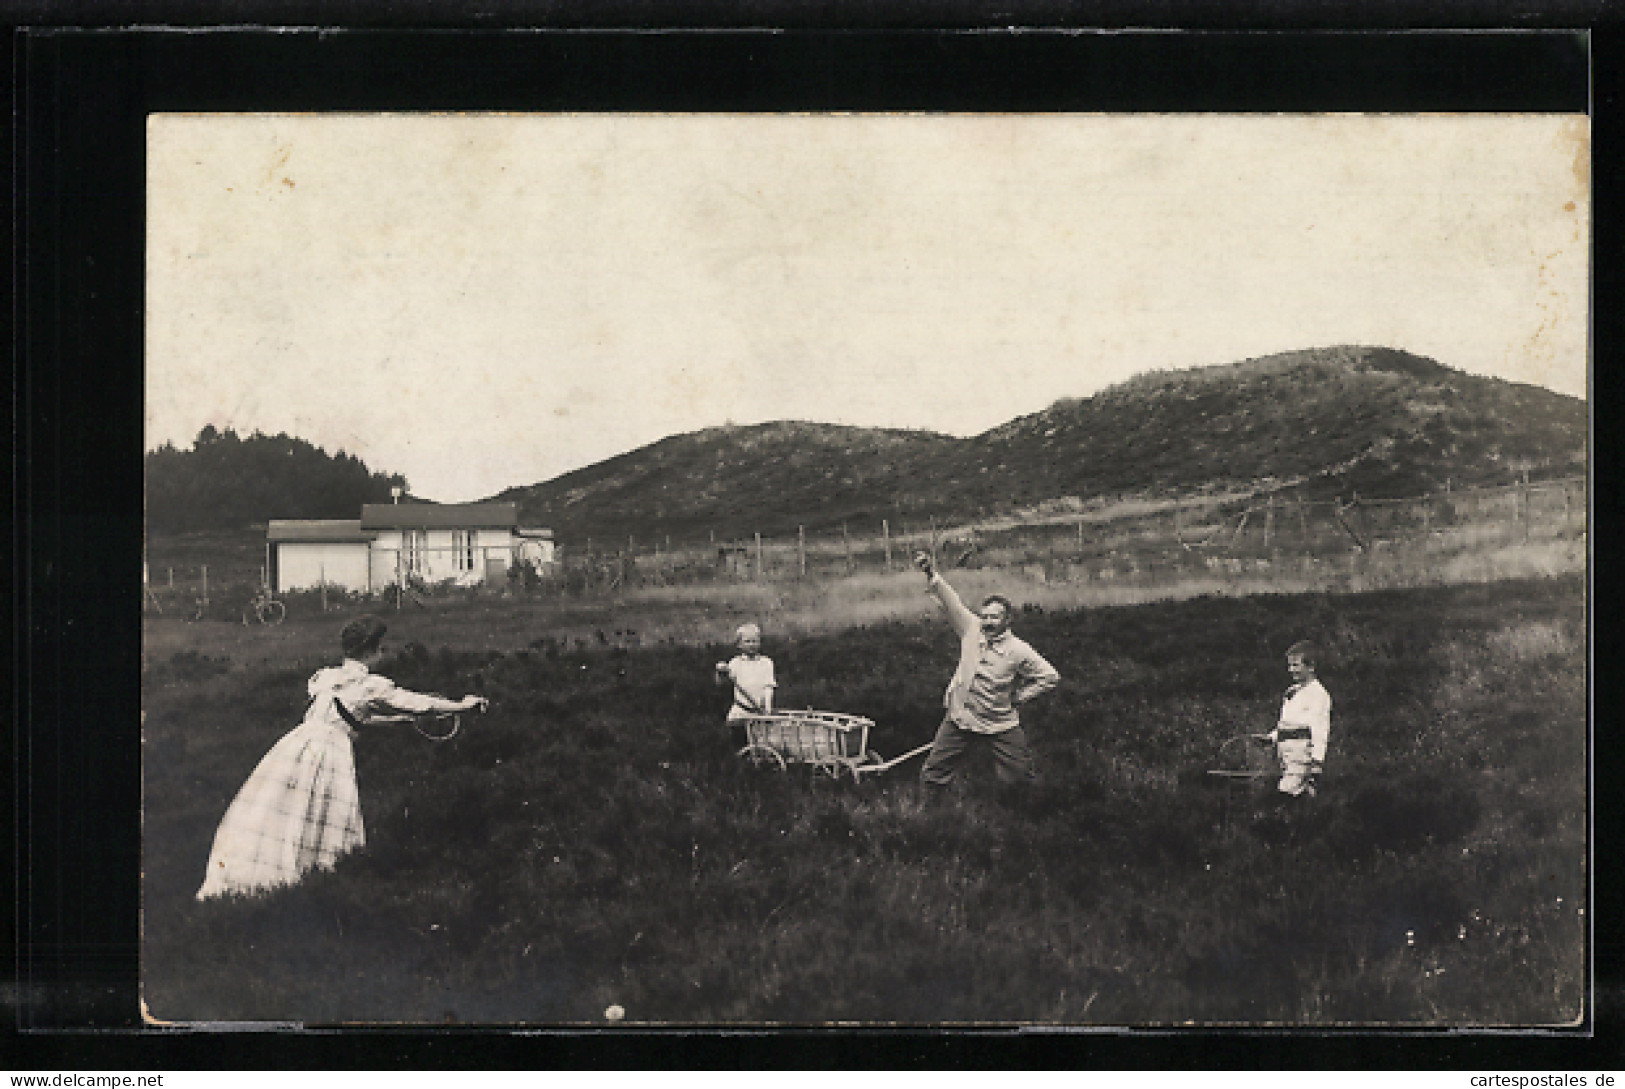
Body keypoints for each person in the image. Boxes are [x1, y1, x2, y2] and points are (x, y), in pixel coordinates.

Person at [196, 615, 487, 900]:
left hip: (298, 743)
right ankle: (310, 881)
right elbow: (422, 705)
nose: (382, 654)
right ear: (370, 650)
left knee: (283, 808)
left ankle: (277, 879)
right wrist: (463, 706)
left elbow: (347, 717)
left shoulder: (328, 677)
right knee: (326, 811)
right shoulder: (369, 684)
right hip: (329, 750)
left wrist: (398, 720)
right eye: (380, 648)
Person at [913, 551, 1060, 790]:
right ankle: (931, 812)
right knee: (933, 773)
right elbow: (952, 601)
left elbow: (1050, 676)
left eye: (995, 617)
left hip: (998, 722)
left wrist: (1020, 696)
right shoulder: (971, 629)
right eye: (985, 617)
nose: (988, 622)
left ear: (1007, 620)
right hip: (960, 716)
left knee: (1019, 778)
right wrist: (930, 572)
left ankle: (1022, 811)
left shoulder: (1018, 650)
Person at [1254, 640, 1332, 798]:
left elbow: (1320, 730)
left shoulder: (1318, 695)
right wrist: (1271, 738)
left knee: (1285, 796)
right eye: (1289, 666)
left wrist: (1316, 763)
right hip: (1285, 756)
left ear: (1311, 667)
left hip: (1302, 756)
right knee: (1296, 797)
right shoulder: (1292, 691)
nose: (1291, 670)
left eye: (1296, 665)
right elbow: (1288, 723)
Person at [715, 622, 776, 750]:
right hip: (741, 712)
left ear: (759, 643)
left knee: (761, 746)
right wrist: (720, 672)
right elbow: (721, 684)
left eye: (755, 641)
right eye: (747, 641)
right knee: (740, 745)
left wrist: (768, 710)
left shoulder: (766, 663)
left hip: (760, 713)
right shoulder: (735, 663)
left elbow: (768, 688)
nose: (751, 645)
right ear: (739, 644)